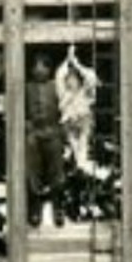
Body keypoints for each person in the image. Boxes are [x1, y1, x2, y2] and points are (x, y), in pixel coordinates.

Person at [25, 53, 67, 227]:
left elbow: (66, 106)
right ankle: (35, 207)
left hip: (53, 131)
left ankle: (58, 207)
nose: (39, 69)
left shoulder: (56, 87)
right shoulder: (27, 87)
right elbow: (19, 108)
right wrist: (25, 122)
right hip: (34, 132)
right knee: (32, 170)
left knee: (56, 171)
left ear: (50, 70)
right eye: (36, 66)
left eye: (43, 66)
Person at [55, 49, 98, 174]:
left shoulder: (85, 92)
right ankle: (76, 167)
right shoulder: (64, 93)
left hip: (84, 122)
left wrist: (77, 64)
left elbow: (91, 77)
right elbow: (59, 76)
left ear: (79, 80)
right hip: (69, 124)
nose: (70, 81)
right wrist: (67, 60)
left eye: (73, 78)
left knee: (83, 149)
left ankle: (82, 166)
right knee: (73, 148)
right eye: (68, 78)